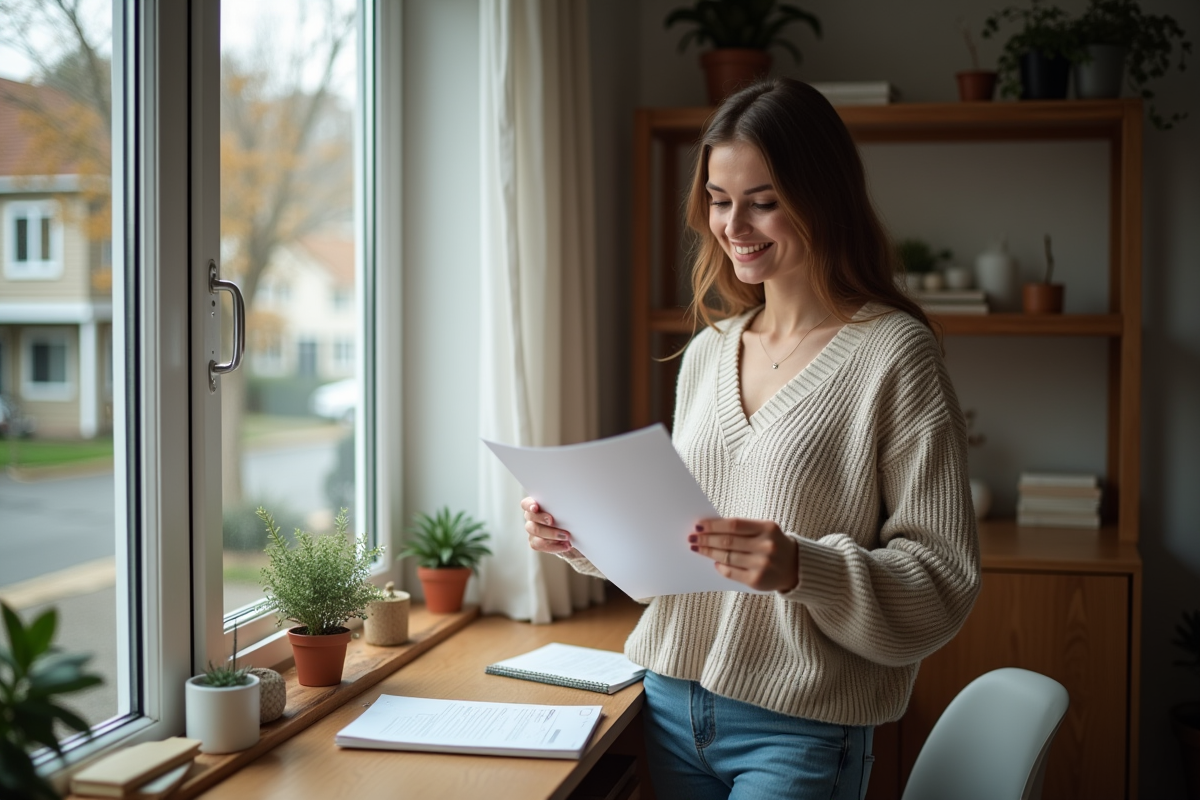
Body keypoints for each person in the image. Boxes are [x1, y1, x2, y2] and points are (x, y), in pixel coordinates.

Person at [522, 77, 980, 800]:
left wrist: (803, 568)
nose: (734, 225)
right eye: (718, 198)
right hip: (668, 705)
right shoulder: (710, 350)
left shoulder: (895, 355)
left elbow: (944, 583)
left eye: (764, 202)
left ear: (822, 197)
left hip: (798, 730)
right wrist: (584, 534)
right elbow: (682, 551)